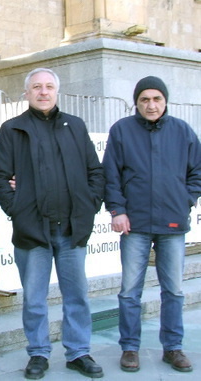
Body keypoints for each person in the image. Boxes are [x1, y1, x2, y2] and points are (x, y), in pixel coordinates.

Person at [0, 68, 105, 380]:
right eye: (37, 87)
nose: (43, 92)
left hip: (71, 230)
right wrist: (17, 209)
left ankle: (78, 352)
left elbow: (95, 171)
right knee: (35, 299)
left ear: (57, 91)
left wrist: (90, 204)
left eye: (49, 87)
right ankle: (38, 353)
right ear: (26, 93)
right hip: (33, 231)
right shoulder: (12, 129)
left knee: (77, 296)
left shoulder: (75, 126)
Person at [103, 76, 201, 373]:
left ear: (165, 101)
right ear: (137, 102)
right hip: (135, 223)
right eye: (145, 99)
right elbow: (111, 175)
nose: (151, 104)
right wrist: (117, 210)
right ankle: (130, 348)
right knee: (130, 291)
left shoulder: (182, 131)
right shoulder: (122, 131)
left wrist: (186, 199)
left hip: (172, 223)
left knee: (173, 290)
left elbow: (196, 172)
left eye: (157, 99)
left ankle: (173, 348)